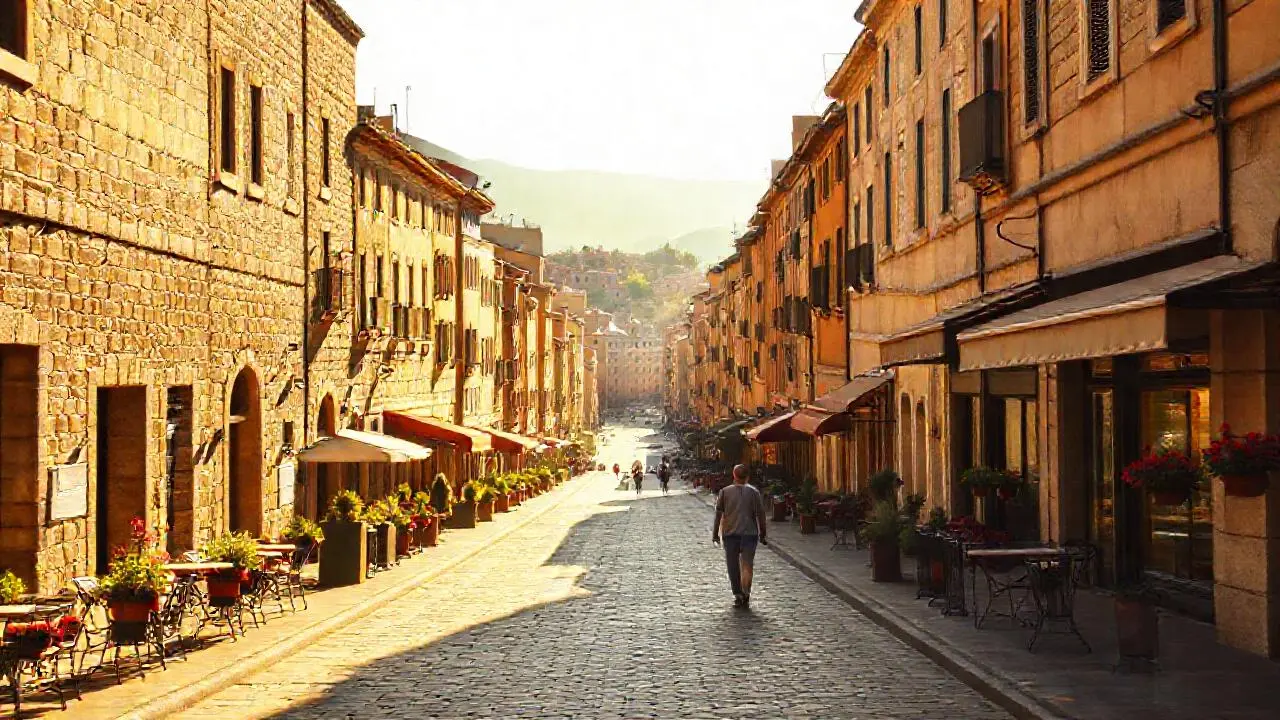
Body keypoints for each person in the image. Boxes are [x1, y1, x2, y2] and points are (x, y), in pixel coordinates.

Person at [712, 464, 767, 608]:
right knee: (747, 565)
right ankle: (746, 592)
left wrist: (715, 534)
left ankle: (738, 593)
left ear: (734, 476)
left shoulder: (724, 492)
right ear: (747, 477)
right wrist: (763, 533)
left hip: (730, 534)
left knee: (733, 566)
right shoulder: (754, 492)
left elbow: (718, 514)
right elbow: (761, 514)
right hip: (750, 533)